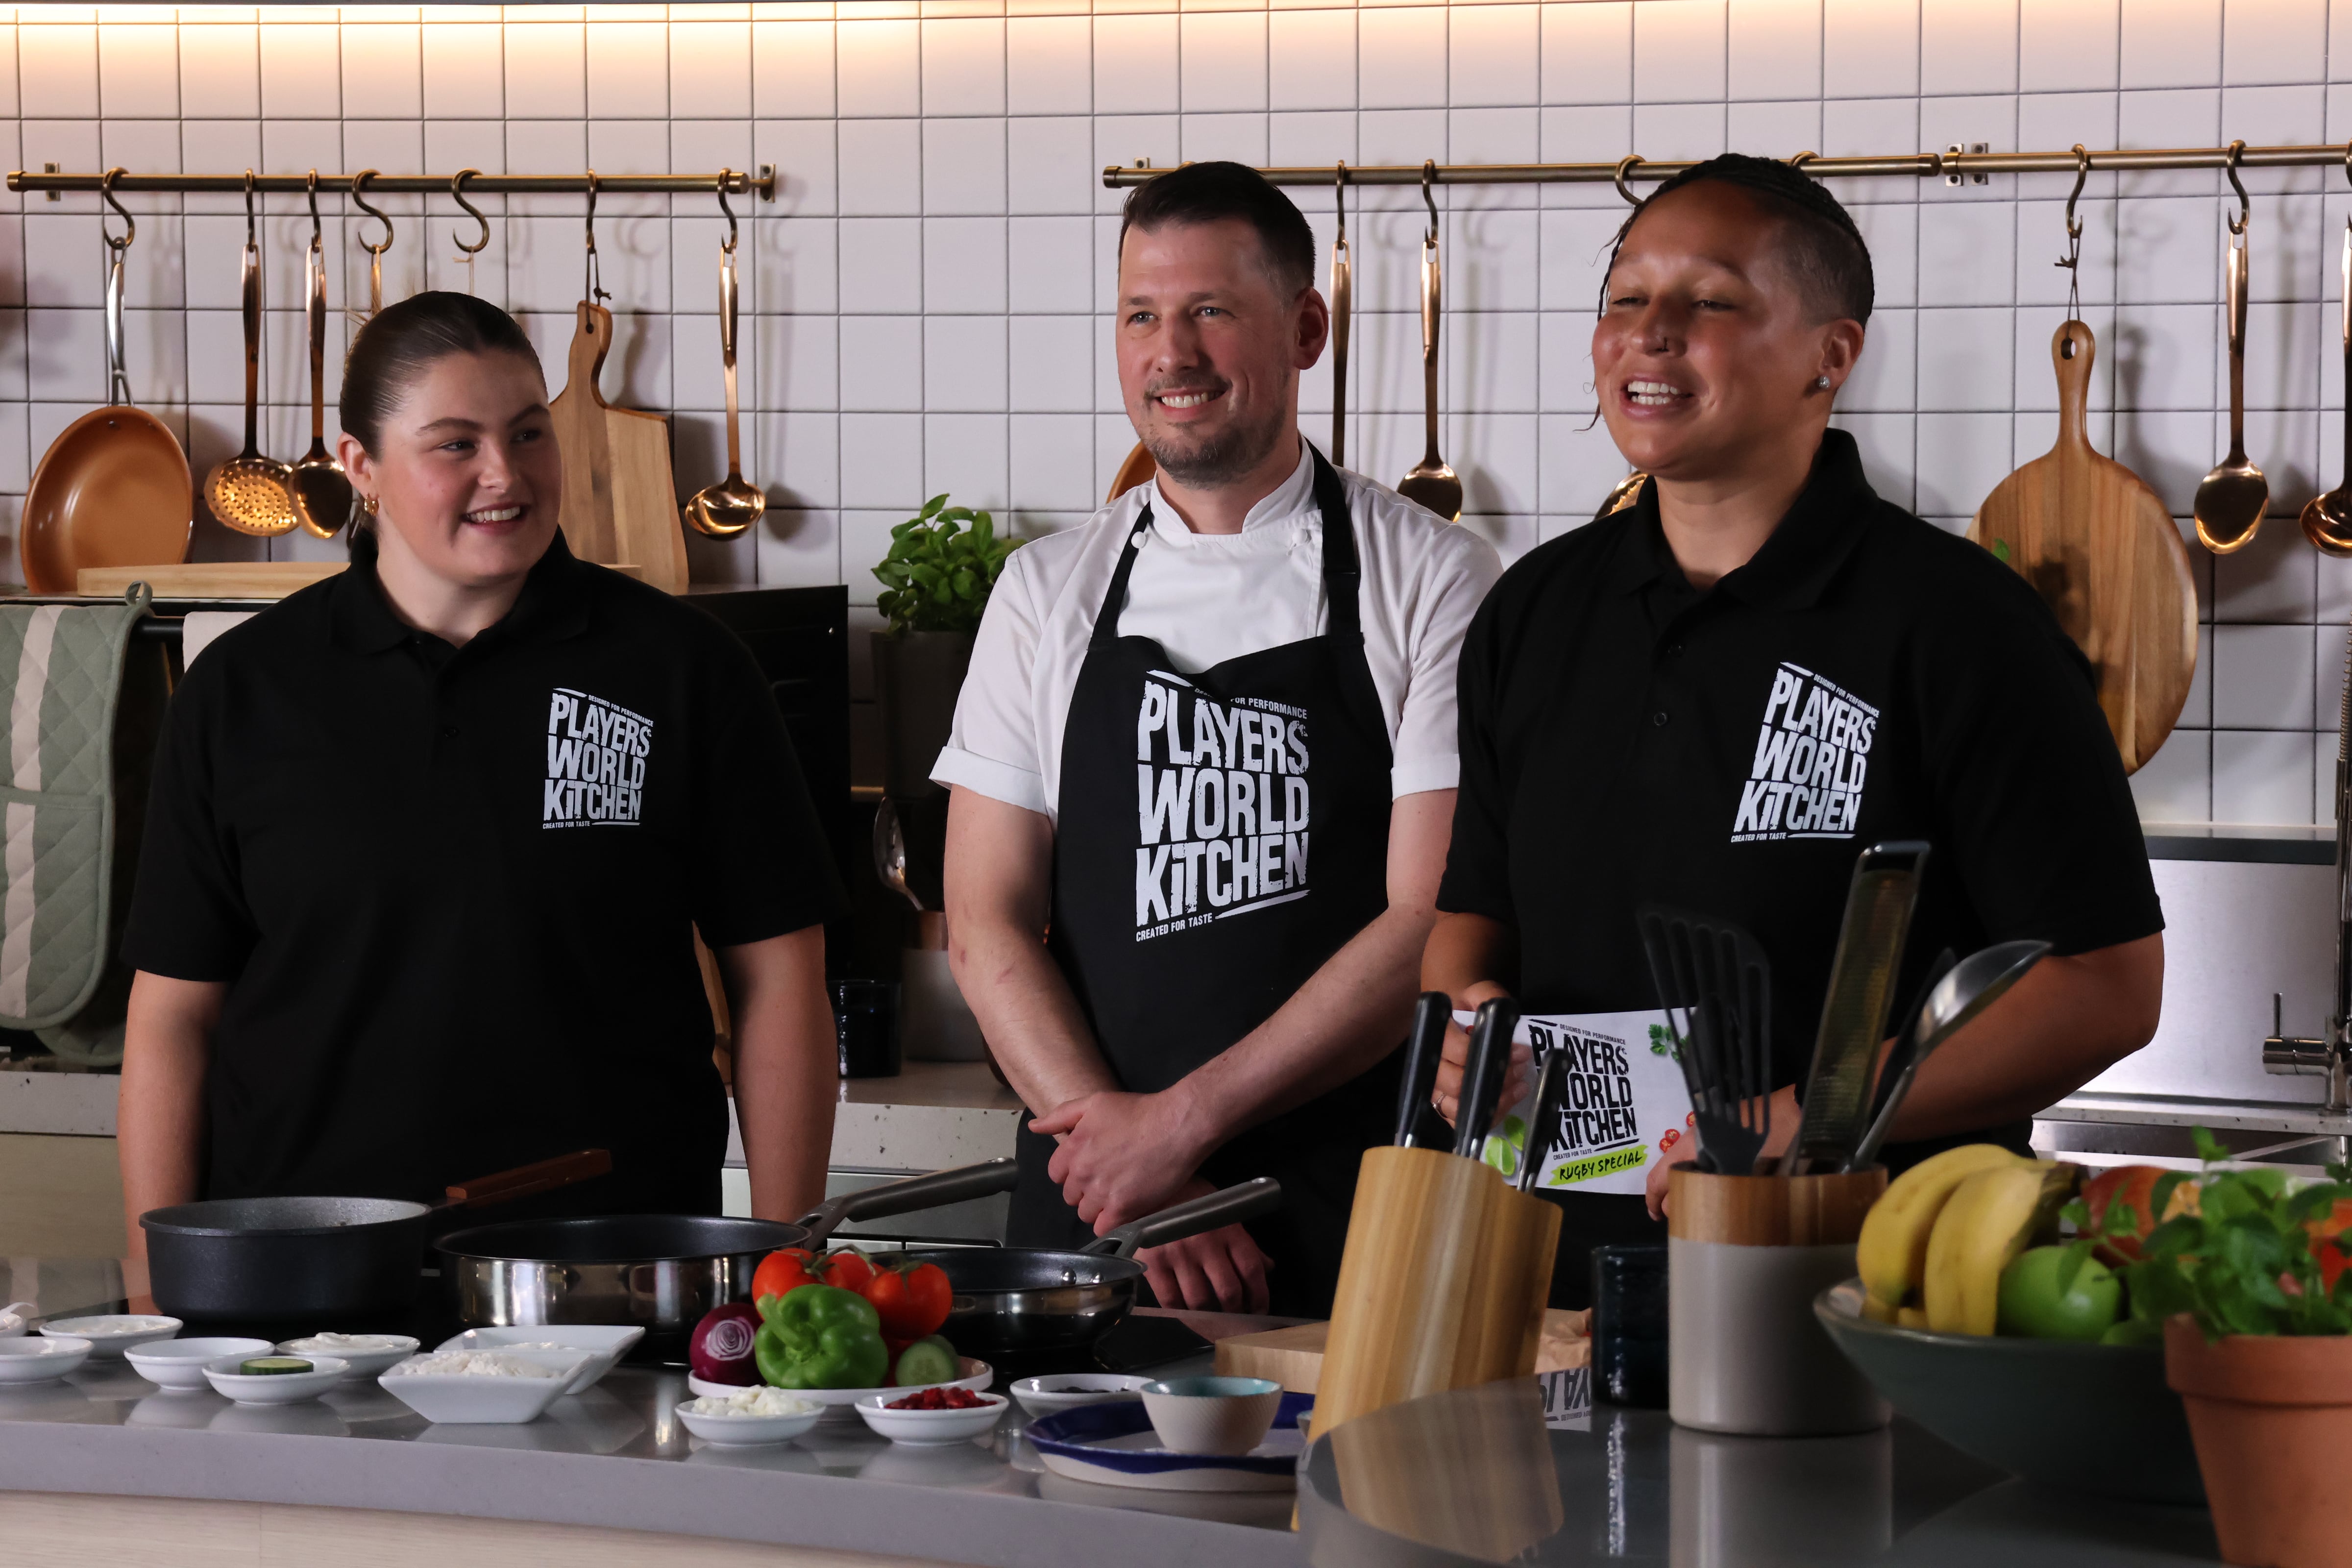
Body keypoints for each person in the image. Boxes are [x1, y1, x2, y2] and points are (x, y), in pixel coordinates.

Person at [1423, 155, 2165, 1307]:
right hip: (1555, 1288)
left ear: (1832, 354)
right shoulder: (1534, 611)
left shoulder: (1958, 622)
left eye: (1710, 301)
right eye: (1626, 296)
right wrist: (1472, 1022)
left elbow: (2107, 984)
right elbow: (1475, 919)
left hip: (1857, 1283)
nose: (1650, 334)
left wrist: (1791, 1125)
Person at [117, 293, 843, 1252]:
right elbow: (173, 1014)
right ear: (360, 467)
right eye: (455, 444)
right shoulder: (243, 690)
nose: (505, 475)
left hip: (609, 1266)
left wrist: (784, 1253)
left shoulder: (683, 669)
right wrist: (155, 1273)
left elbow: (780, 975)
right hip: (303, 1275)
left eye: (528, 433)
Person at [934, 162, 1501, 1317]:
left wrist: (1178, 1130)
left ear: (1304, 330)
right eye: (1142, 314)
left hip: (1347, 1210)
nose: (1171, 354)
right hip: (1098, 1220)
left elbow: (1423, 920)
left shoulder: (1434, 581)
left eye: (1210, 312)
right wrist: (1131, 1174)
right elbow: (985, 919)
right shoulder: (1045, 592)